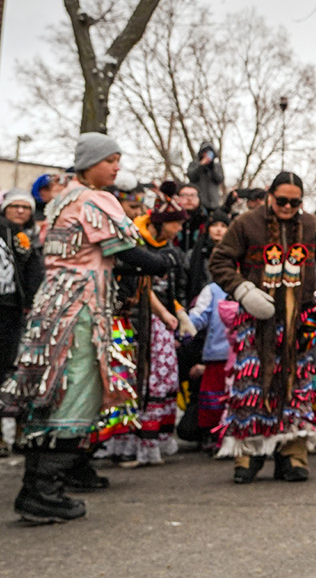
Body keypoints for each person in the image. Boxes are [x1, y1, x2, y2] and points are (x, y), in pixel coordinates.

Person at [0, 134, 171, 523]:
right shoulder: (92, 200)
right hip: (78, 309)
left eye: (118, 159)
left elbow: (95, 254)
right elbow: (124, 250)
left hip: (55, 305)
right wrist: (158, 262)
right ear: (89, 162)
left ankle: (41, 486)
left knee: (54, 389)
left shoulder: (62, 199)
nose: (117, 167)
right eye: (110, 159)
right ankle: (42, 491)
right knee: (76, 389)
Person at [209, 170, 316, 484]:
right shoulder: (245, 223)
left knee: (296, 389)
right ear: (270, 196)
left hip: (299, 322)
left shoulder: (313, 225)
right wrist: (244, 291)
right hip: (257, 321)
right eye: (282, 200)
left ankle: (293, 455)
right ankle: (249, 456)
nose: (287, 207)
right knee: (253, 389)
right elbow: (220, 262)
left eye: (294, 202)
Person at [105, 181, 192, 467]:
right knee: (138, 378)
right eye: (175, 223)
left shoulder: (172, 250)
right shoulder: (135, 243)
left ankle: (158, 437)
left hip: (163, 321)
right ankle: (130, 440)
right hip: (135, 319)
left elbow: (176, 288)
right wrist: (163, 313)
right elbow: (142, 287)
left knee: (164, 377)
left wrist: (178, 312)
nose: (178, 229)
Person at [1, 189, 46, 454]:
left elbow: (35, 273)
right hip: (4, 307)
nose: (20, 211)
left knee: (22, 372)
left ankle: (21, 434)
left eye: (25, 207)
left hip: (21, 312)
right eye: (14, 206)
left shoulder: (31, 239)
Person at [182, 277, 237, 451]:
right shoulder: (213, 290)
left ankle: (238, 434)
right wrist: (186, 324)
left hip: (245, 354)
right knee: (213, 403)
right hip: (217, 355)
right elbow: (199, 316)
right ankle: (213, 435)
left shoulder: (254, 283)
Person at [186, 144, 225, 214]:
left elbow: (220, 179)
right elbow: (192, 177)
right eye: (205, 152)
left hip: (214, 202)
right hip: (200, 202)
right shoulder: (194, 164)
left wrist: (212, 167)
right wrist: (201, 165)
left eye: (209, 152)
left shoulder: (217, 166)